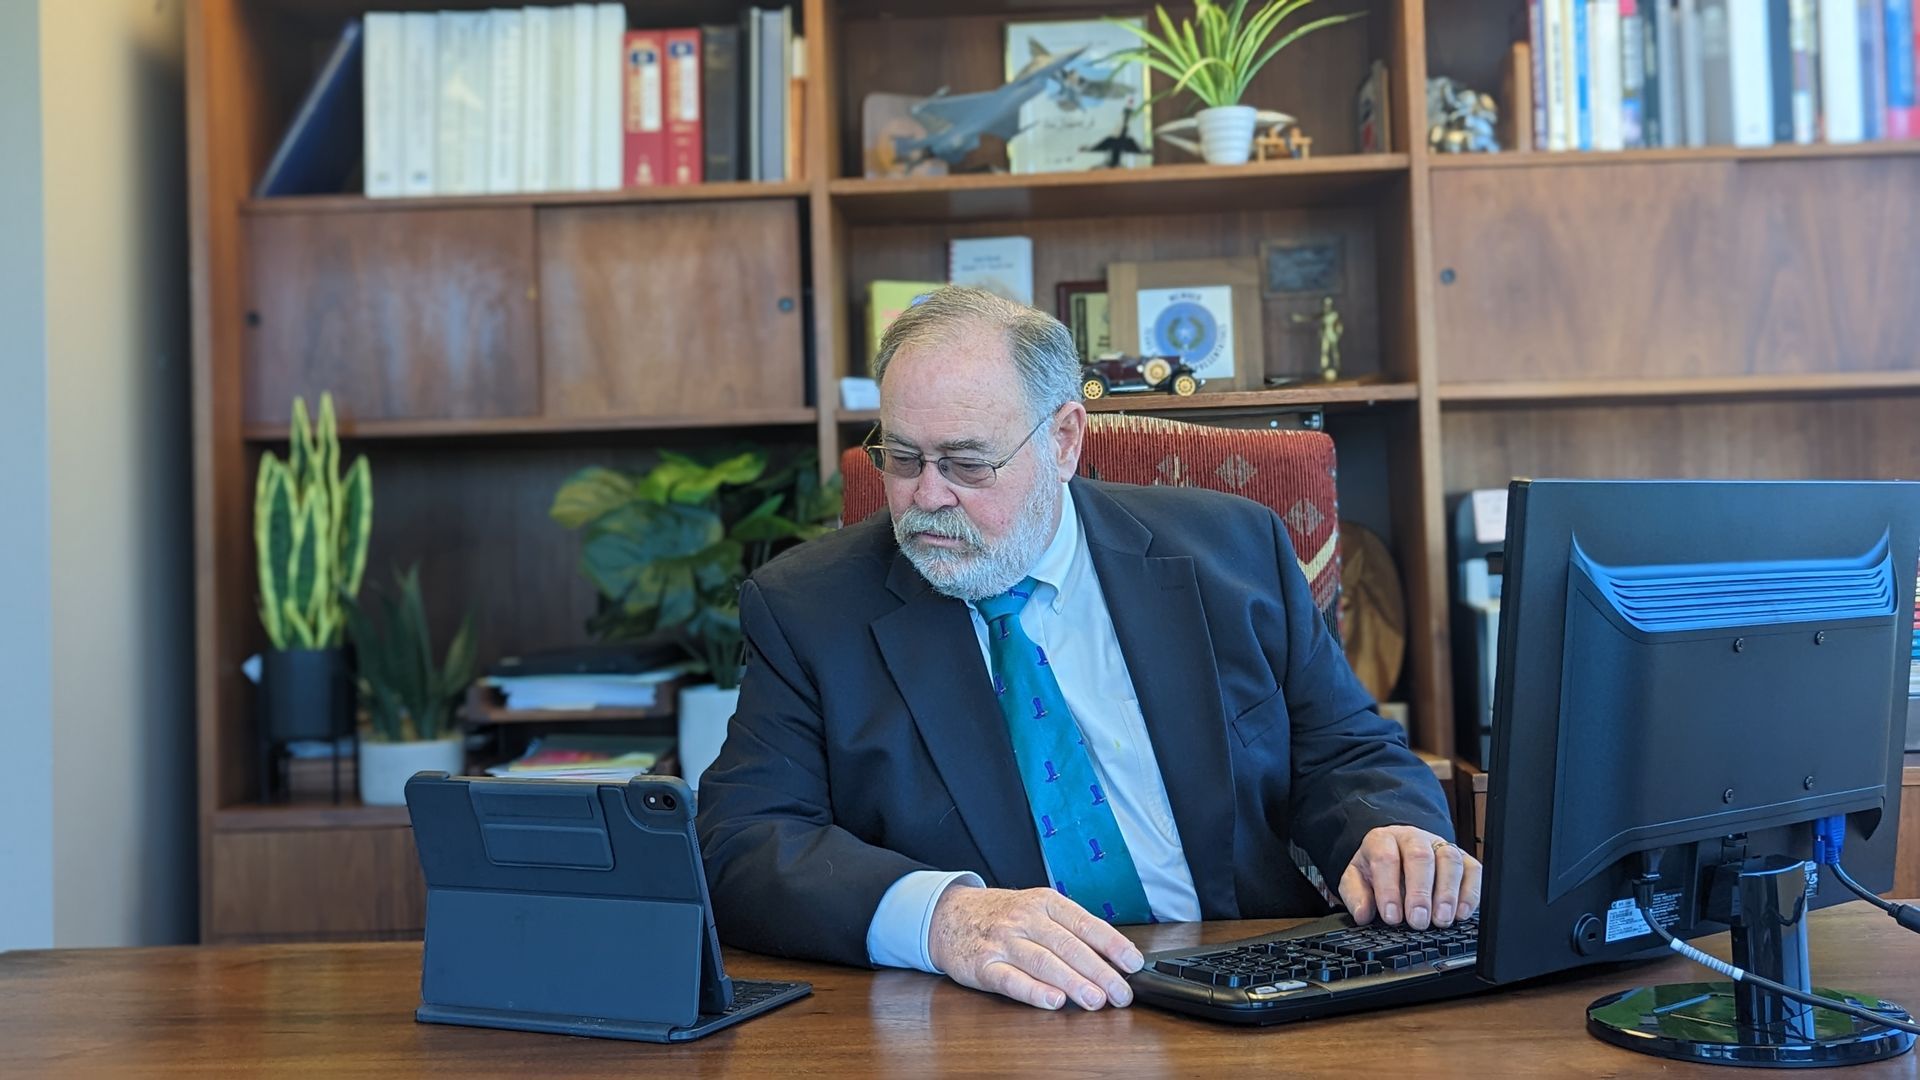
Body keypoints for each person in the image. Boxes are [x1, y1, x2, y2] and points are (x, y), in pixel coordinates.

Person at [696, 286, 1479, 1014]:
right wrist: (941, 916)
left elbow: (1343, 748)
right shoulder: (809, 606)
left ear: (1065, 439)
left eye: (968, 463)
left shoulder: (1235, 552)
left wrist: (1389, 832)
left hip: (1250, 983)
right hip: (993, 1013)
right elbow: (745, 842)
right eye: (901, 459)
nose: (927, 496)